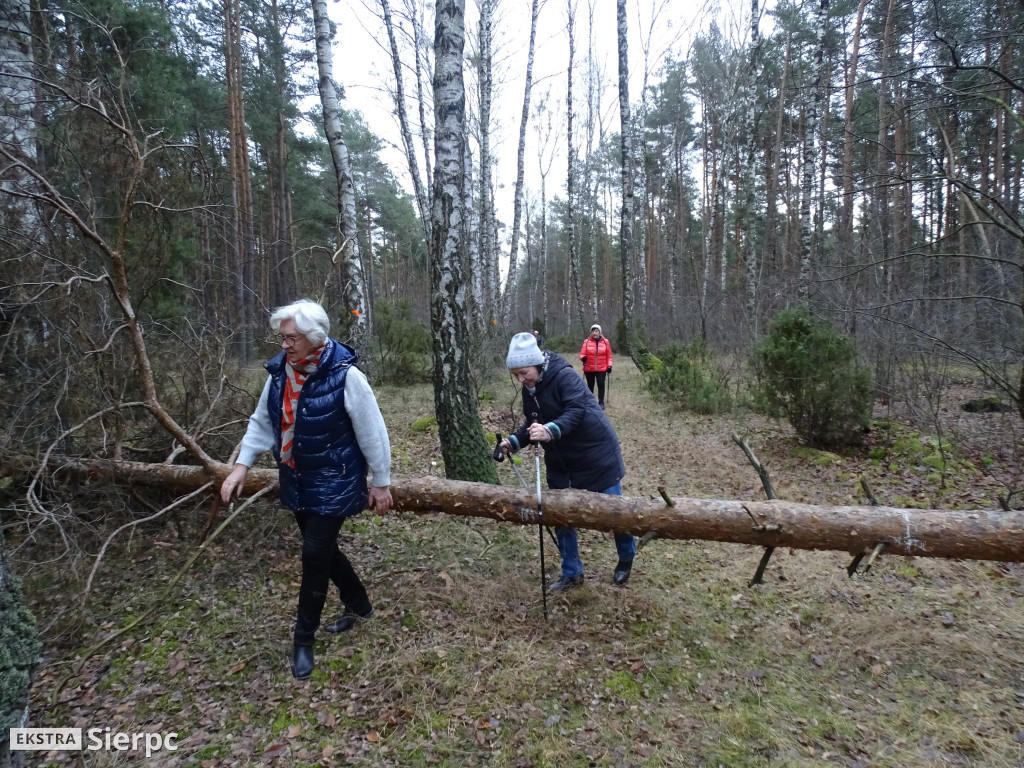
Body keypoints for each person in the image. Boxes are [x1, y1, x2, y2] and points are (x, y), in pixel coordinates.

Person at [220, 299, 392, 681]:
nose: (284, 345)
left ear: (315, 338)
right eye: (281, 338)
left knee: (314, 557)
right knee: (324, 552)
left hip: (336, 478)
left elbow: (373, 432)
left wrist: (381, 482)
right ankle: (360, 604)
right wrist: (241, 467)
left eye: (291, 338)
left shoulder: (347, 377)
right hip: (296, 478)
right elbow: (263, 422)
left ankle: (303, 640)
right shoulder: (279, 373)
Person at [498, 332, 636, 592]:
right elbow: (533, 421)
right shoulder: (530, 387)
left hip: (596, 453)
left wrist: (549, 431)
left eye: (524, 372)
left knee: (615, 512)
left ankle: (626, 556)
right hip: (562, 459)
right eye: (515, 374)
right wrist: (514, 441)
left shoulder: (564, 376)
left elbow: (576, 410)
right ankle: (572, 573)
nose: (520, 379)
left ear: (537, 364)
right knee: (560, 514)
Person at [580, 323, 613, 409]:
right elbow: (582, 354)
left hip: (601, 368)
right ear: (591, 332)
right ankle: (591, 402)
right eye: (593, 331)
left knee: (601, 384)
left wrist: (609, 366)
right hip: (589, 368)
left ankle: (601, 402)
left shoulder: (605, 342)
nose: (594, 333)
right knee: (590, 385)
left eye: (596, 331)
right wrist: (583, 357)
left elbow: (609, 355)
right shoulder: (586, 342)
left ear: (599, 332)